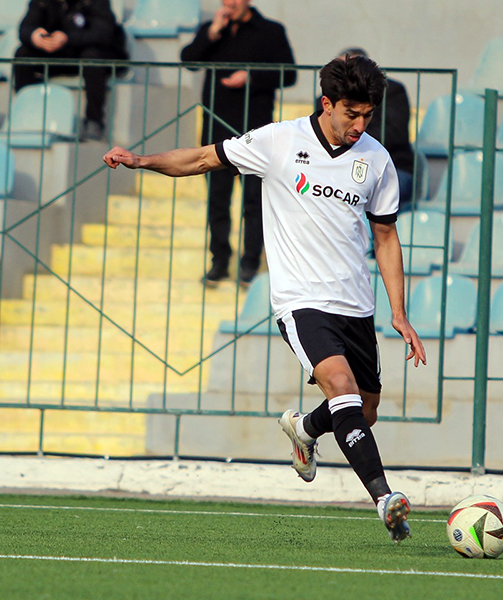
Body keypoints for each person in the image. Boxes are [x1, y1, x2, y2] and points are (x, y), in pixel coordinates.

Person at [102, 55, 427, 543]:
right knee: (341, 388)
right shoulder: (279, 141)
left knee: (364, 411)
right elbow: (202, 159)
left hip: (356, 304)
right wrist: (141, 161)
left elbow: (385, 237)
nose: (360, 125)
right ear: (327, 104)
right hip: (300, 300)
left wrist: (399, 314)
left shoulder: (376, 160)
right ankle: (386, 499)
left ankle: (305, 429)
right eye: (351, 114)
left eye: (367, 115)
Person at [181, 0, 296, 287]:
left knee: (254, 201)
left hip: (255, 134)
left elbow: (289, 73)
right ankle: (219, 261)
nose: (229, 4)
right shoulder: (213, 30)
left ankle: (250, 262)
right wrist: (212, 33)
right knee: (217, 201)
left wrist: (251, 77)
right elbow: (189, 60)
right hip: (216, 131)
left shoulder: (270, 31)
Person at [15, 0, 128, 142]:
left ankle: (94, 121)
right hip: (60, 54)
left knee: (92, 57)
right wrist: (35, 36)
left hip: (91, 54)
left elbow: (102, 34)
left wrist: (67, 38)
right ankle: (23, 114)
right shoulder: (42, 2)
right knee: (23, 54)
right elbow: (25, 28)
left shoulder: (97, 2)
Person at [338, 48, 415, 209]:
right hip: (342, 168)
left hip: (391, 168)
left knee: (356, 192)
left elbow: (395, 133)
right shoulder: (329, 99)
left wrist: (354, 138)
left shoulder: (392, 91)